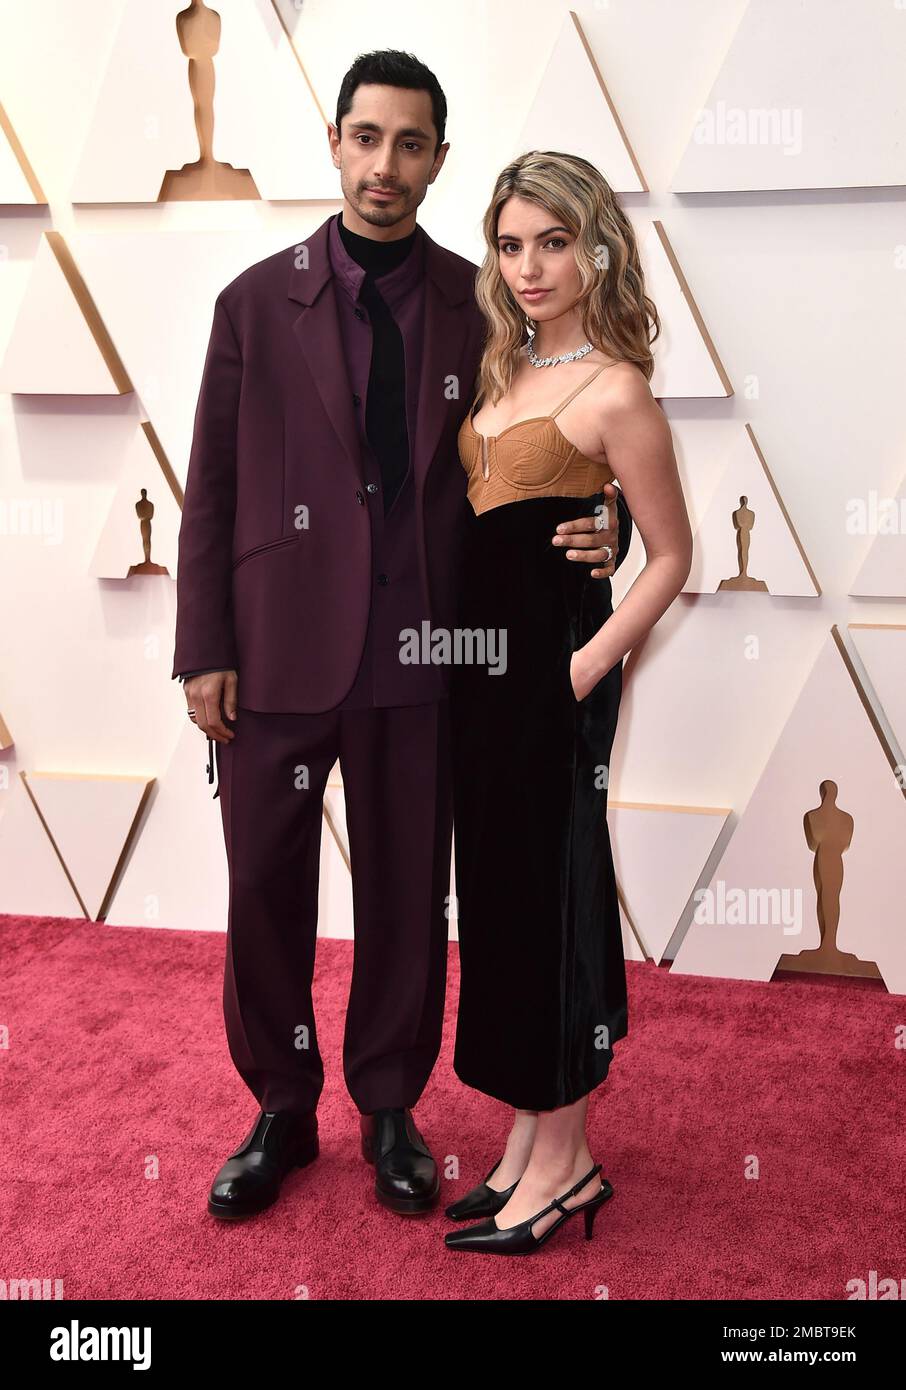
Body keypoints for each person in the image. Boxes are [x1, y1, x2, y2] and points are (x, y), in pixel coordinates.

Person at [172, 52, 634, 1220]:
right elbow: (213, 490)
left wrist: (608, 518)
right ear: (335, 144)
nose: (386, 165)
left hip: (425, 655)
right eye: (366, 138)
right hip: (274, 651)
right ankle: (281, 1103)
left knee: (405, 892)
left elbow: (560, 432)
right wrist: (202, 646)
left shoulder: (484, 302)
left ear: (438, 157)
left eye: (411, 143)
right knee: (263, 883)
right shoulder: (250, 303)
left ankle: (388, 1102)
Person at [444, 152, 693, 1255]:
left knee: (556, 901)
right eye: (511, 243)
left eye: (553, 241)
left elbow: (672, 556)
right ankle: (528, 1141)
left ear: (596, 247)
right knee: (500, 901)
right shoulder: (501, 372)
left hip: (556, 678)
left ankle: (568, 1162)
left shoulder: (621, 387)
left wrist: (583, 669)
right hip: (482, 678)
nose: (530, 265)